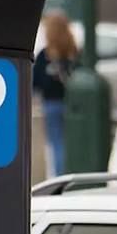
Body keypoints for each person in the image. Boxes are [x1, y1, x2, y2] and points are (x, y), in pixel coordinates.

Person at [34, 11, 79, 176]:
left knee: (56, 143)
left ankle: (58, 176)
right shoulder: (74, 53)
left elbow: (35, 82)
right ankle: (71, 173)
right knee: (70, 142)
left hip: (51, 104)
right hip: (73, 105)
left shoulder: (45, 55)